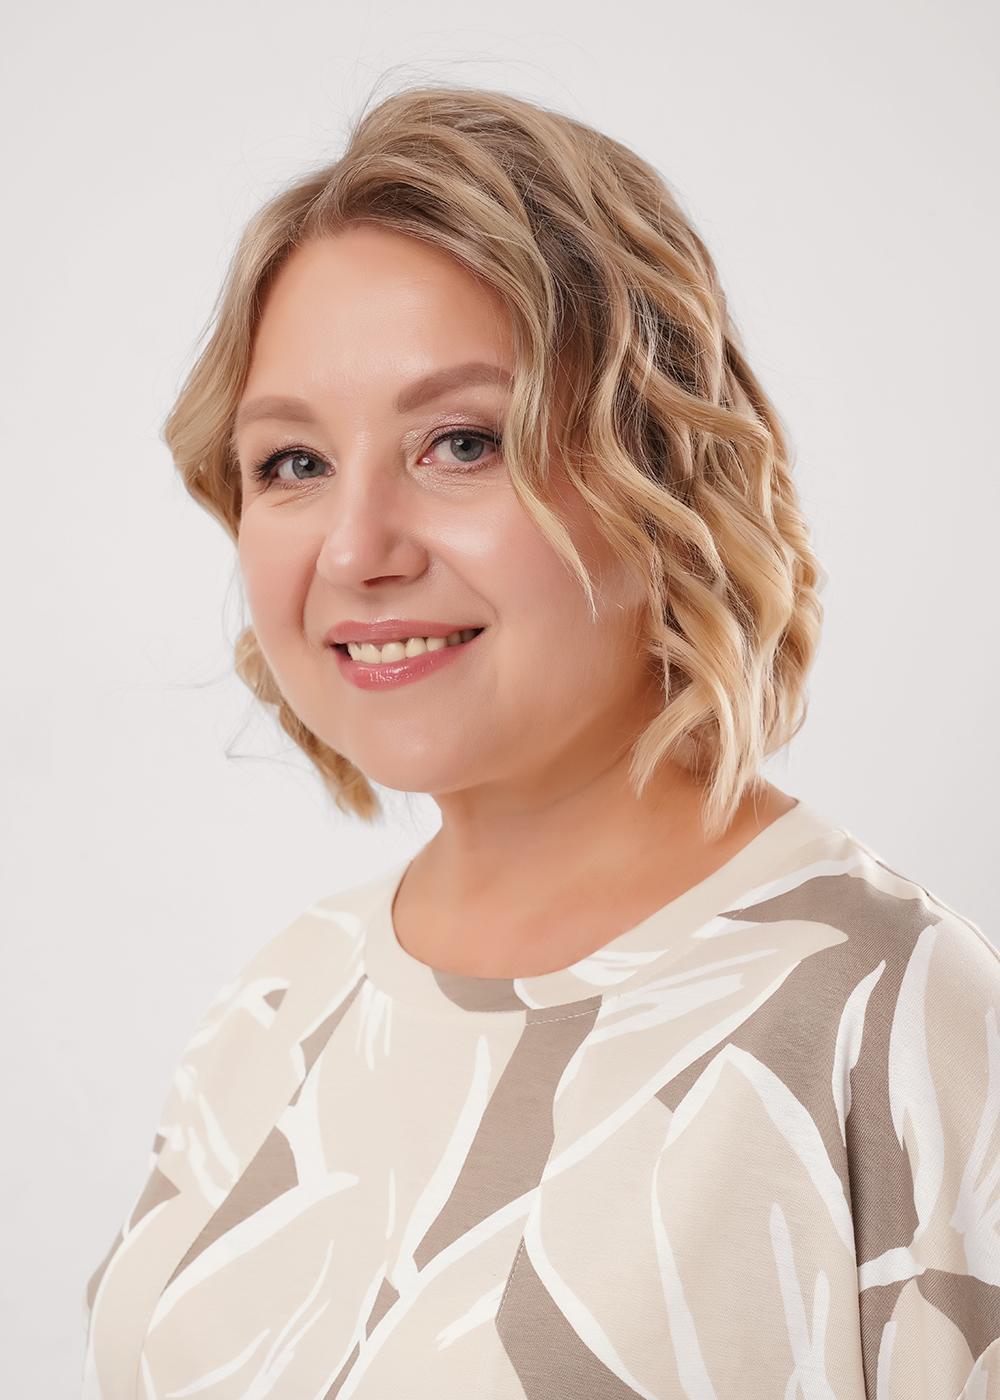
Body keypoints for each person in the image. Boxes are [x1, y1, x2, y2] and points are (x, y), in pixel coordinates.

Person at [81, 85, 1000, 1399]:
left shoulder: (897, 1016)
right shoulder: (284, 1003)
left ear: (661, 472)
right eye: (292, 463)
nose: (354, 550)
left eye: (462, 443)